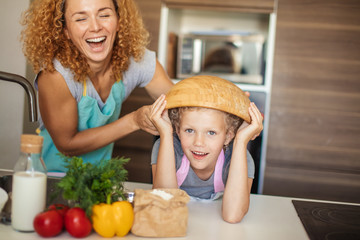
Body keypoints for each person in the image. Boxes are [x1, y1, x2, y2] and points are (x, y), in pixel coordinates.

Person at [20, 0, 173, 172]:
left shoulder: (136, 61)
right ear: (65, 31)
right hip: (53, 180)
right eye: (80, 19)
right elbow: (67, 144)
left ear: (118, 21)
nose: (95, 27)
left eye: (104, 15)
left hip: (100, 181)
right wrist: (134, 120)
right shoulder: (55, 76)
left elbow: (180, 99)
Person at [150, 76, 263, 223]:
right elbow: (165, 207)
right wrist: (165, 133)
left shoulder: (240, 158)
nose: (198, 142)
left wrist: (241, 141)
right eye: (189, 130)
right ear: (177, 130)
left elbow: (233, 215)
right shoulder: (166, 147)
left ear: (228, 136)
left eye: (211, 133)